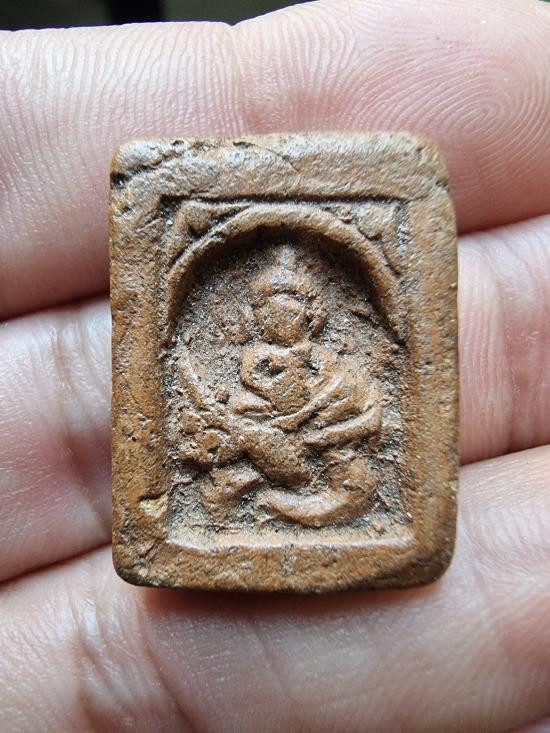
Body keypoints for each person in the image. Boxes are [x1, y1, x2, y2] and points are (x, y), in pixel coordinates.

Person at [1, 0, 549, 730]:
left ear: (313, 314)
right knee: (222, 473)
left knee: (351, 447)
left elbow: (360, 406)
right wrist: (253, 427)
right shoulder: (254, 358)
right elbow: (237, 402)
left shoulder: (327, 363)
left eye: (292, 306)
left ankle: (315, 499)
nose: (279, 318)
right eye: (268, 307)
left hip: (318, 444)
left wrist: (313, 430)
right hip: (259, 444)